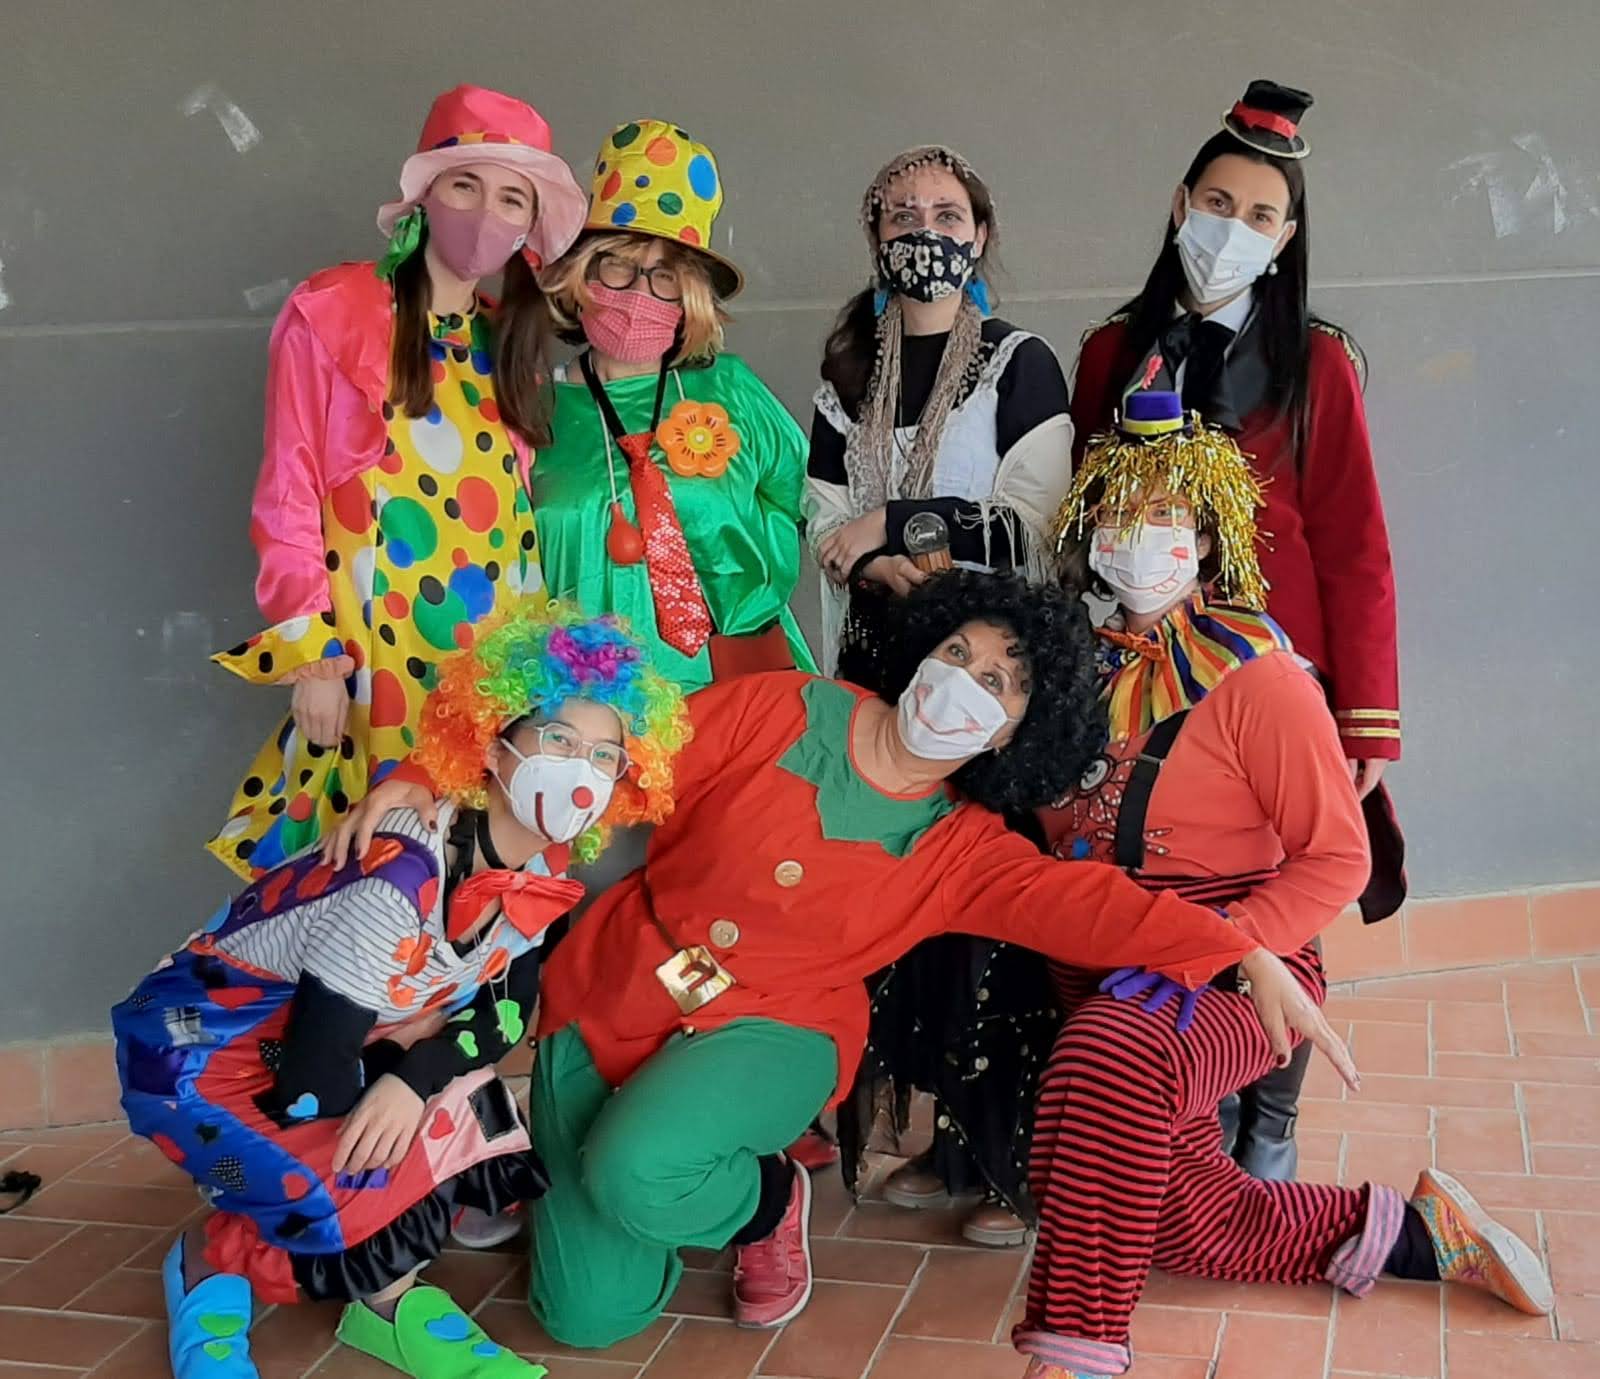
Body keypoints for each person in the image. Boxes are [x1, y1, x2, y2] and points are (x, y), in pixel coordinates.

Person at [333, 570, 1357, 1348]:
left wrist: (1244, 951)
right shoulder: (777, 706)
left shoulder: (966, 848)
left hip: (774, 1023)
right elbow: (602, 755)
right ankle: (632, 1173)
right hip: (617, 986)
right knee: (587, 1315)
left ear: (1020, 729)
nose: (961, 683)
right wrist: (427, 770)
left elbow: (1099, 908)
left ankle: (767, 1201)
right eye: (956, 650)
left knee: (636, 1167)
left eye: (998, 682)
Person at [1013, 406, 1548, 1379]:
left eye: (1165, 515)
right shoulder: (1064, 664)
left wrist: (1230, 942)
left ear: (1208, 534)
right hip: (1092, 951)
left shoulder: (1256, 676)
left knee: (1107, 1057)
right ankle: (1416, 1233)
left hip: (1237, 965)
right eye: (1118, 515)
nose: (1137, 537)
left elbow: (1338, 858)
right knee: (1185, 1222)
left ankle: (1075, 1352)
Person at [113, 604, 688, 1379]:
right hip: (199, 1053)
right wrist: (404, 1078)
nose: (580, 770)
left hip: (329, 1033)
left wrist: (416, 1075)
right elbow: (314, 1079)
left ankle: (385, 1301)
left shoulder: (538, 869)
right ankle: (211, 1259)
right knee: (358, 1171)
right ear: (494, 743)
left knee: (466, 1107)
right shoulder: (399, 877)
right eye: (558, 739)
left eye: (604, 754)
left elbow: (503, 1016)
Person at [1068, 81, 1405, 1180]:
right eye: (1218, 203)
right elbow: (1083, 511)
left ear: (1287, 235)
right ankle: (1187, 1075)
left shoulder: (1318, 362)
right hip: (1147, 658)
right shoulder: (1110, 351)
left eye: (1261, 214)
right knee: (1166, 864)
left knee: (1287, 875)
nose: (1234, 228)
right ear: (1180, 205)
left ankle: (1272, 1107)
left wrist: (1365, 720)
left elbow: (1356, 546)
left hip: (1275, 671)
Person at [206, 85, 588, 879]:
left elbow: (515, 525)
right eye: (465, 185)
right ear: (424, 196)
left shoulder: (505, 339)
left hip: (492, 660)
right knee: (366, 868)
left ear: (528, 226)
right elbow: (288, 490)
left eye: (512, 198)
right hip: (376, 653)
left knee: (477, 867)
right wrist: (313, 657)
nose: (485, 212)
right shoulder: (334, 310)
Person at [805, 145, 1074, 1246]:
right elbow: (824, 517)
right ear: (875, 233)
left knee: (980, 902)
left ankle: (1002, 1159)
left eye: (948, 212)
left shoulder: (1020, 364)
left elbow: (1037, 523)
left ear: (981, 232)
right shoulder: (846, 368)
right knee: (886, 890)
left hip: (982, 676)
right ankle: (920, 1138)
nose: (927, 228)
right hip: (880, 666)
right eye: (903, 211)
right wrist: (872, 558)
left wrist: (905, 526)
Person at [531, 118, 814, 692]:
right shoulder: (533, 409)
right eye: (619, 263)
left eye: (664, 274)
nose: (640, 291)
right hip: (587, 704)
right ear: (582, 273)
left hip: (733, 688)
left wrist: (754, 584)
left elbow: (806, 500)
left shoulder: (731, 389)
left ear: (689, 295)